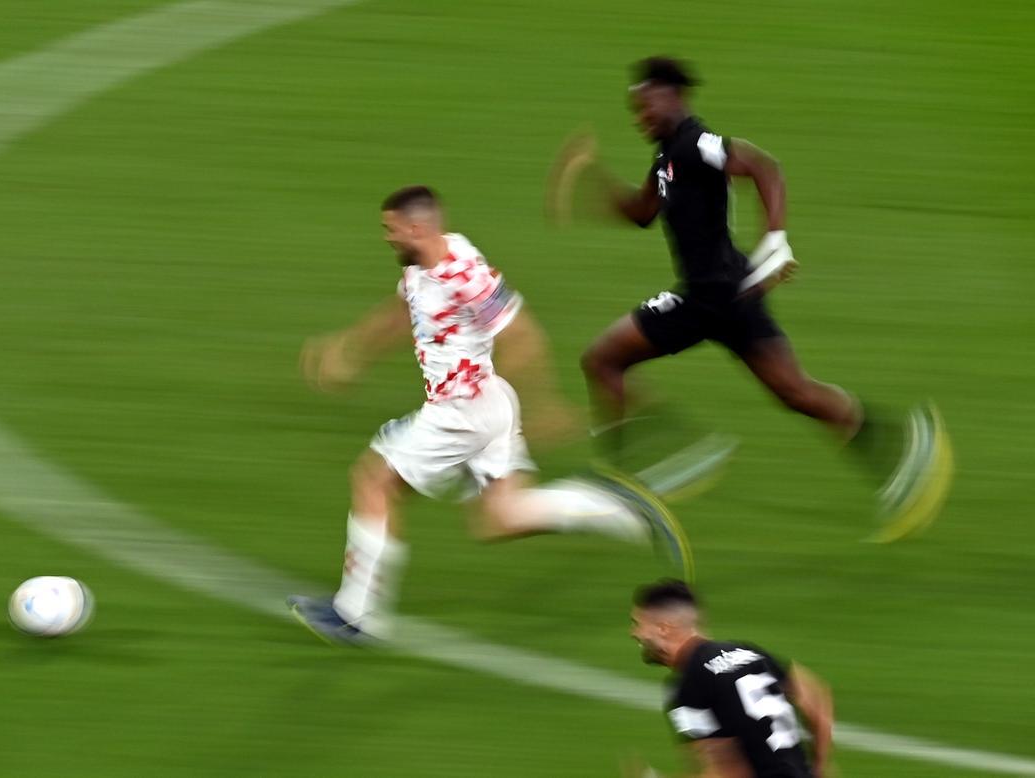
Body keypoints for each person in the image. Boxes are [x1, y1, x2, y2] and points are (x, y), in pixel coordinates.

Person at [563, 56, 950, 541]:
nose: (640, 116)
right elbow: (641, 211)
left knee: (601, 360)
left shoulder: (694, 142)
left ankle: (627, 474)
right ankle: (902, 444)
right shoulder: (666, 160)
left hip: (710, 299)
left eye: (647, 105)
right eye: (634, 111)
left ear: (675, 97)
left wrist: (776, 238)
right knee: (796, 392)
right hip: (733, 294)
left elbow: (761, 165)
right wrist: (591, 173)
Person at [287, 185, 690, 645]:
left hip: (463, 412)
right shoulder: (425, 263)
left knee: (374, 480)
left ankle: (357, 616)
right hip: (489, 405)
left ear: (417, 227)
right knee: (502, 519)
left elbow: (523, 333)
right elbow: (403, 310)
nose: (387, 238)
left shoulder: (463, 273)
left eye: (391, 229)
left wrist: (542, 405)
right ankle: (615, 506)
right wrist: (351, 348)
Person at [631, 579, 834, 777]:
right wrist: (818, 766)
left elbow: (728, 772)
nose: (634, 633)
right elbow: (816, 699)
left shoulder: (686, 685)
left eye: (638, 624)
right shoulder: (748, 652)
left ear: (663, 628)